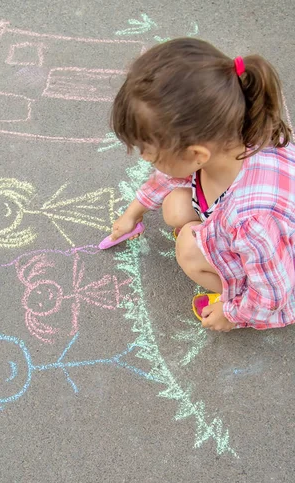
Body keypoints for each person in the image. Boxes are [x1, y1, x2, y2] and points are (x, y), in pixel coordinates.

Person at [110, 38, 295, 332]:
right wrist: (134, 212)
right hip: (254, 234)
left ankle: (233, 300)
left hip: (280, 275)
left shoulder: (252, 223)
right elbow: (170, 177)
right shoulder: (230, 134)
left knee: (187, 248)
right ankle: (214, 244)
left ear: (196, 155)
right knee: (175, 207)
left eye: (150, 152)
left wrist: (232, 313)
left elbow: (274, 293)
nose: (145, 157)